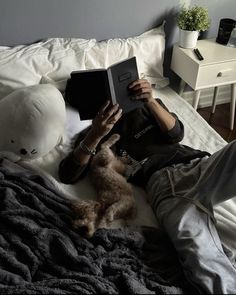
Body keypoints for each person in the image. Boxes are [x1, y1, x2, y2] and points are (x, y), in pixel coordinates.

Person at [59, 79, 236, 294]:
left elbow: (176, 134)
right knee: (204, 260)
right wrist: (96, 134)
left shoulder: (143, 107)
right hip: (165, 185)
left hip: (200, 165)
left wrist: (150, 100)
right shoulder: (91, 136)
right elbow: (68, 174)